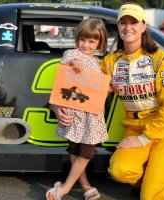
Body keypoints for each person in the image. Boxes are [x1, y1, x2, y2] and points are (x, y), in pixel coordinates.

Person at [55, 3, 164, 200]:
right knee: (118, 171)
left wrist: (144, 138)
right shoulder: (110, 62)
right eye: (123, 22)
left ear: (144, 26)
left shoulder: (161, 60)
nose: (128, 27)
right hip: (134, 127)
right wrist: (58, 107)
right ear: (117, 27)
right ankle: (151, 183)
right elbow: (83, 88)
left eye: (133, 22)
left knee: (150, 197)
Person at [46, 18, 108, 200]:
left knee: (83, 151)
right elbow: (65, 70)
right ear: (77, 38)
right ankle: (72, 188)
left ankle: (74, 186)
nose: (86, 45)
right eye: (83, 40)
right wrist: (72, 63)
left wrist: (108, 87)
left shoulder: (97, 62)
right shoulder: (72, 54)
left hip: (91, 115)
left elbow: (97, 88)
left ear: (99, 42)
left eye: (92, 41)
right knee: (79, 150)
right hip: (74, 113)